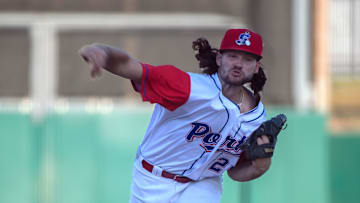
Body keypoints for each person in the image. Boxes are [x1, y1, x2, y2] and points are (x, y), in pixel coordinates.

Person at [79, 28, 271, 203]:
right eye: (233, 56)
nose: (238, 64)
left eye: (247, 59)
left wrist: (259, 167)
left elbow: (235, 171)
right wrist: (104, 53)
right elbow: (134, 67)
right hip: (153, 180)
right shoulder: (188, 87)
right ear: (219, 58)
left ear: (256, 67)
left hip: (204, 186)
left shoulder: (257, 118)